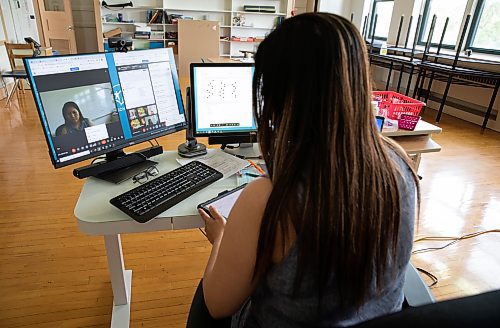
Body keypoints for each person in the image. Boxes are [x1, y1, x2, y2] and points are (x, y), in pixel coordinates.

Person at [187, 13, 420, 327]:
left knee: (207, 296)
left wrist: (222, 239)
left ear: (281, 98)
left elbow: (218, 305)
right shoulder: (400, 162)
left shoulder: (270, 198)